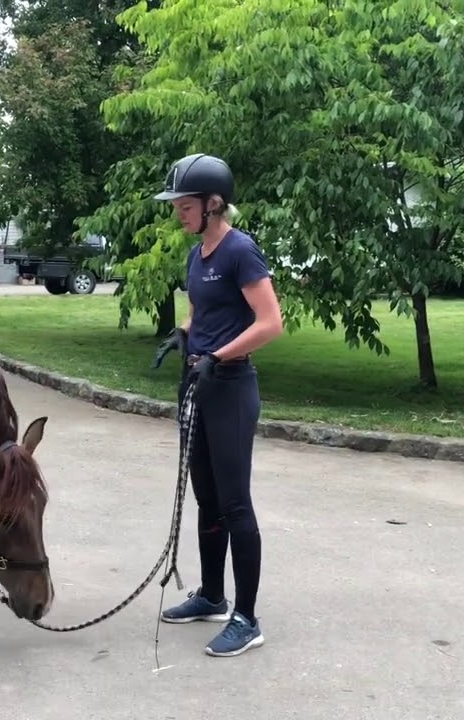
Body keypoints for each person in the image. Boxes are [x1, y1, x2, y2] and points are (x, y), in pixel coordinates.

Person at [150, 152, 284, 658]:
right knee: (206, 496)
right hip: (199, 383)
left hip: (230, 387)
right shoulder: (198, 254)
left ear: (212, 203)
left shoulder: (240, 251)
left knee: (234, 503)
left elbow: (270, 323)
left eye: (184, 206)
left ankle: (247, 619)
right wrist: (182, 333)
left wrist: (218, 355)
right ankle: (211, 596)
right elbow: (199, 310)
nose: (178, 214)